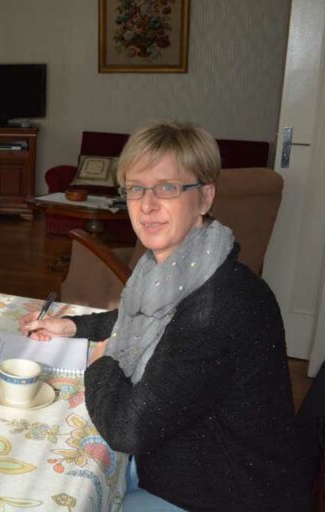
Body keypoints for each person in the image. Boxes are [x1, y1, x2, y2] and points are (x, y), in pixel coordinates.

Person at [20, 121, 308, 511]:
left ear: (204, 198)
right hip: (186, 460)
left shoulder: (217, 305)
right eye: (136, 188)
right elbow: (140, 319)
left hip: (224, 493)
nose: (147, 205)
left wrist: (101, 361)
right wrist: (72, 326)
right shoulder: (183, 270)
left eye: (168, 188)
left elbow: (125, 428)